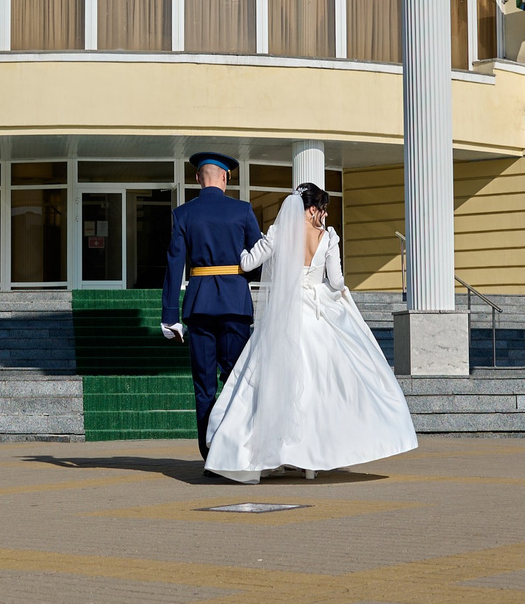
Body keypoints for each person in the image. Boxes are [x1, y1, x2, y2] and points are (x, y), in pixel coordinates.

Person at [203, 184, 417, 482]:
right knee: (321, 385)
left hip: (284, 316)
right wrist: (339, 293)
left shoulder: (278, 233)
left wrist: (239, 249)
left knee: (273, 384)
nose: (325, 215)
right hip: (316, 315)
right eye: (323, 209)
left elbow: (248, 263)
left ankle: (267, 452)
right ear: (312, 208)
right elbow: (336, 281)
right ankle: (310, 461)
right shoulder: (328, 237)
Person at [161, 152, 262, 460]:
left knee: (204, 386)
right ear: (225, 178)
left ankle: (209, 453)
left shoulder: (183, 214)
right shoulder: (243, 211)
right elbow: (258, 262)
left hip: (199, 307)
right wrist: (238, 275)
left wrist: (169, 317)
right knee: (236, 379)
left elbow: (174, 265)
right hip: (235, 306)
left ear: (197, 179)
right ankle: (235, 452)